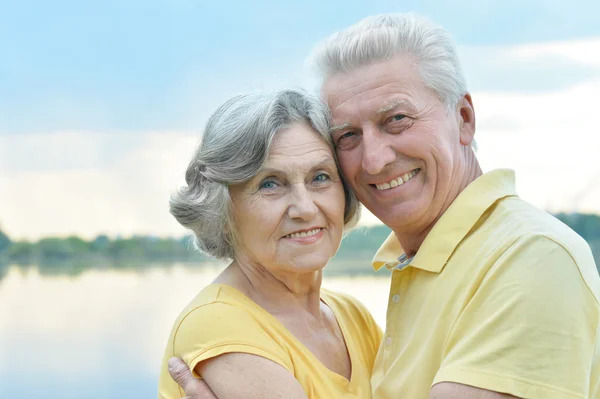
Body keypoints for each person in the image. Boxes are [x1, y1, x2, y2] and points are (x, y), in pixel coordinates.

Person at [168, 13, 600, 399]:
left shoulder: (531, 258)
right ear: (224, 206)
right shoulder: (224, 325)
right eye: (348, 136)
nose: (374, 160)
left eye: (397, 119)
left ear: (464, 119)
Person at [157, 89, 383, 399]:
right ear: (222, 208)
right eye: (270, 184)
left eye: (320, 177)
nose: (304, 208)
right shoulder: (217, 324)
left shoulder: (353, 316)